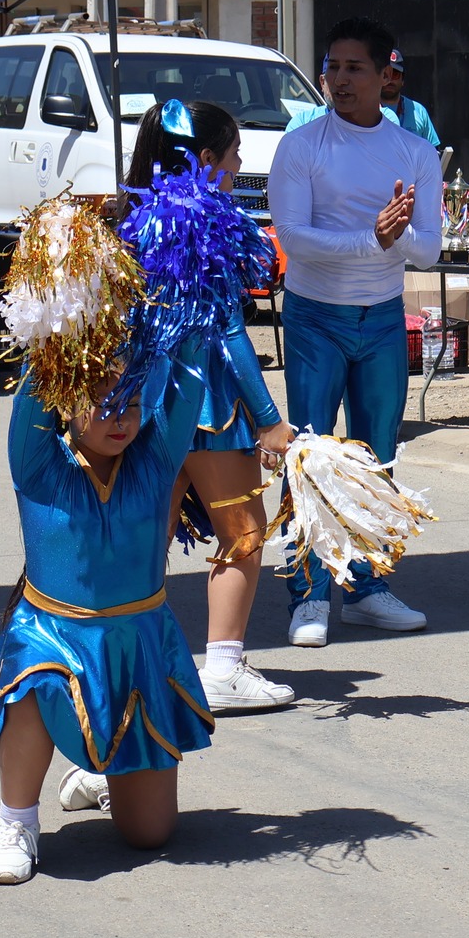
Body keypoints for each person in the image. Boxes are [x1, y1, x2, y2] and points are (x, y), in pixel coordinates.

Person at [0, 347, 217, 885]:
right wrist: (62, 317)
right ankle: (16, 821)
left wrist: (195, 293)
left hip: (138, 645)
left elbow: (189, 380)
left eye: (131, 404)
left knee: (149, 835)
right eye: (104, 404)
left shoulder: (155, 461)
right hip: (50, 634)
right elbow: (39, 376)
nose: (121, 417)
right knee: (31, 672)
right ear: (67, 400)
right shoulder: (37, 463)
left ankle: (95, 770)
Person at [267, 16, 441, 647]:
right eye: (331, 67)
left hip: (383, 321)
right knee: (309, 456)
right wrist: (374, 239)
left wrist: (394, 240)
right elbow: (293, 237)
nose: (338, 79)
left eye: (353, 68)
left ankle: (367, 585)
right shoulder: (302, 145)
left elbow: (427, 250)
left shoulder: (415, 152)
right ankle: (308, 595)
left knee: (377, 458)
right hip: (315, 317)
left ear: (384, 77)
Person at [122, 99, 299, 713]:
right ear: (205, 160)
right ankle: (222, 665)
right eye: (233, 153)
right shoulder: (204, 221)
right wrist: (267, 417)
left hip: (146, 410)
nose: (240, 161)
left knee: (147, 541)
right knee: (243, 534)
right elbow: (225, 331)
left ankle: (130, 660)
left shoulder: (140, 217)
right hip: (210, 410)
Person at [291, 48, 441, 149]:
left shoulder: (387, 117)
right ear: (322, 82)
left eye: (352, 72)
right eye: (333, 72)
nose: (340, 82)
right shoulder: (302, 122)